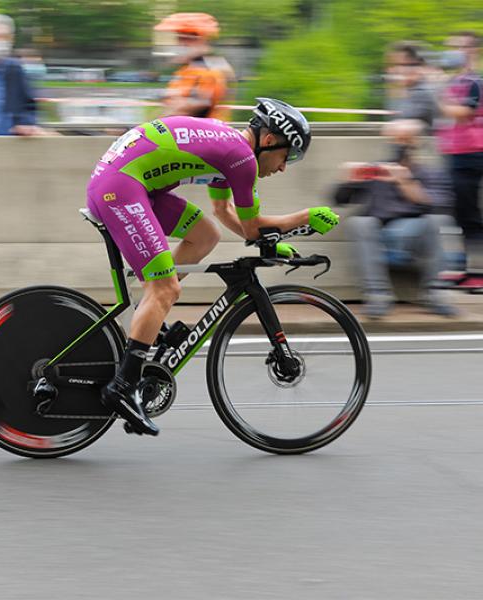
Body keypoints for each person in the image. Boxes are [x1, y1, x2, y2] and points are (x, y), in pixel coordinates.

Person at [87, 98, 339, 435]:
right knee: (167, 289)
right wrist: (303, 218)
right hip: (121, 187)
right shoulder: (242, 159)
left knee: (205, 234)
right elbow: (251, 228)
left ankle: (151, 314)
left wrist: (271, 239)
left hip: (131, 183)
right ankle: (122, 387)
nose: (283, 167)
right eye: (287, 155)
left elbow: (224, 213)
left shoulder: (230, 151)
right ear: (268, 140)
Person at [336, 119, 456, 318]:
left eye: (405, 139)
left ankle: (436, 293)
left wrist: (405, 181)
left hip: (414, 234)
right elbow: (339, 199)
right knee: (359, 223)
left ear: (416, 142)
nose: (399, 145)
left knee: (439, 221)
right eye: (394, 139)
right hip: (378, 232)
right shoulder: (376, 170)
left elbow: (440, 204)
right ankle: (378, 295)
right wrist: (348, 181)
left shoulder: (429, 172)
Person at [436, 31, 483, 289]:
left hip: (471, 155)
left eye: (459, 47)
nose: (452, 51)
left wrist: (439, 96)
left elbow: (464, 112)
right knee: (459, 215)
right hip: (454, 154)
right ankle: (466, 269)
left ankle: (477, 272)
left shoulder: (474, 81)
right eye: (450, 45)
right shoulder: (454, 81)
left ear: (472, 51)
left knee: (470, 215)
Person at [154, 12, 235, 121]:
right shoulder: (187, 70)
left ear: (200, 40)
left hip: (203, 134)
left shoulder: (209, 71)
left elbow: (187, 109)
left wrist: (149, 127)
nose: (179, 44)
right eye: (178, 39)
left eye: (184, 39)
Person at [385, 42, 437, 129]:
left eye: (398, 65)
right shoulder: (410, 91)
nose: (391, 70)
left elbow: (403, 124)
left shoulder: (423, 92)